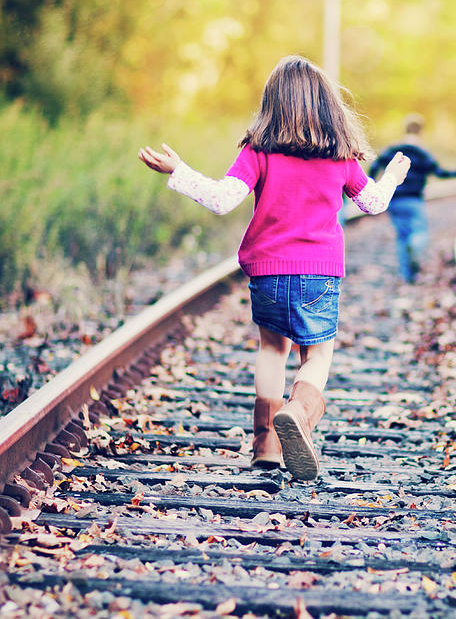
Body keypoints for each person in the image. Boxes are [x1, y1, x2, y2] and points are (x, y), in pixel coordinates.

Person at [138, 55, 410, 482]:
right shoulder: (338, 155)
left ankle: (265, 445)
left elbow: (221, 199)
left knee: (271, 349)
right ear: (326, 105)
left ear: (272, 104)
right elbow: (373, 203)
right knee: (317, 355)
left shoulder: (258, 151)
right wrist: (392, 176)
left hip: (266, 273)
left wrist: (180, 171)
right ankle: (299, 414)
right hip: (318, 274)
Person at [371, 114, 456, 283]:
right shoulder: (422, 153)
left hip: (393, 200)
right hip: (414, 200)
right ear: (421, 131)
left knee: (401, 237)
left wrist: (373, 186)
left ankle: (407, 275)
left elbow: (374, 167)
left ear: (405, 129)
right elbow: (440, 173)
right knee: (419, 232)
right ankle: (415, 245)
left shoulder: (393, 151)